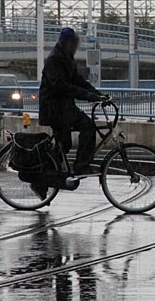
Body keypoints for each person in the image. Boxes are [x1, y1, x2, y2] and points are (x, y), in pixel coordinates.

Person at [38, 27, 106, 192]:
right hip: (55, 109)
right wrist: (88, 96)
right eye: (75, 43)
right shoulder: (55, 59)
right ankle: (81, 167)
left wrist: (98, 95)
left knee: (64, 144)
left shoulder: (66, 57)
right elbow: (61, 86)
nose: (77, 46)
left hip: (63, 108)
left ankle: (42, 179)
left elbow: (78, 80)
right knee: (88, 126)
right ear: (68, 42)